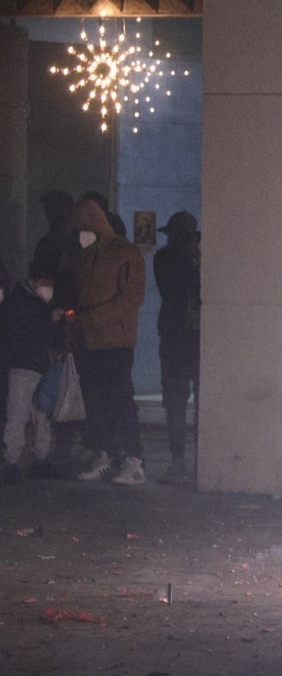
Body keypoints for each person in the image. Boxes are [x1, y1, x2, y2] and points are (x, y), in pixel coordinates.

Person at [73, 197, 147, 485]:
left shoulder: (123, 253)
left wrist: (90, 318)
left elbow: (130, 299)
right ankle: (105, 454)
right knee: (97, 400)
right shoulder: (87, 255)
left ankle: (132, 458)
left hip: (115, 340)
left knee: (118, 399)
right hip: (91, 340)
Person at [1, 258, 64, 483]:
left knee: (42, 414)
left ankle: (41, 458)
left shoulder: (38, 300)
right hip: (23, 365)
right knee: (18, 414)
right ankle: (12, 460)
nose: (49, 287)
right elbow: (23, 332)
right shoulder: (20, 300)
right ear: (35, 280)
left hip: (42, 366)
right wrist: (50, 321)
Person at [154, 210, 201, 484]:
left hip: (190, 337)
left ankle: (190, 460)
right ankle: (178, 458)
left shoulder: (194, 258)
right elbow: (176, 288)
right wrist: (193, 260)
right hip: (176, 336)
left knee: (193, 401)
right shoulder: (166, 259)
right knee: (175, 400)